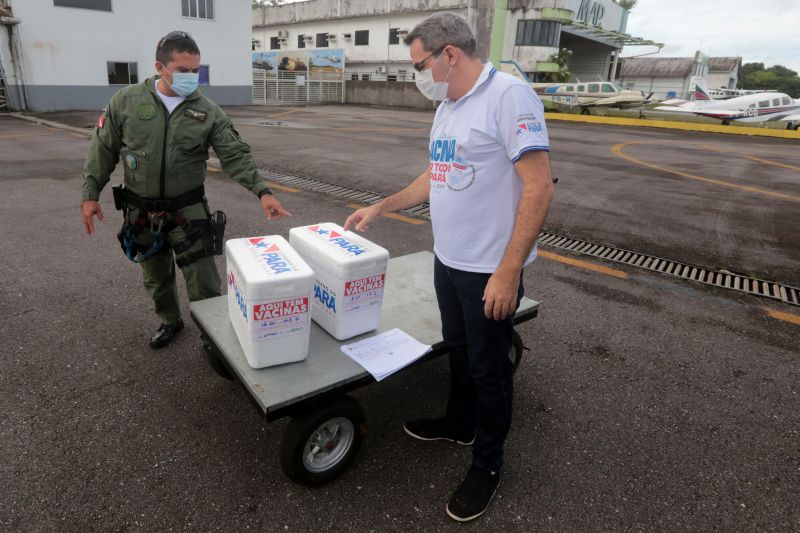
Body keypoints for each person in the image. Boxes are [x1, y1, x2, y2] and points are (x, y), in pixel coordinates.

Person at [344, 13, 554, 522]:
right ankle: (460, 422)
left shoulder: (507, 97)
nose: (419, 75)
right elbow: (434, 176)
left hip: (488, 269)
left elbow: (539, 186)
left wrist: (507, 273)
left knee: (489, 367)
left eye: (420, 64)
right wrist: (381, 206)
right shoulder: (449, 104)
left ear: (449, 55)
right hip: (449, 259)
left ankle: (488, 463)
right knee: (458, 350)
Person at [81, 31, 290, 349]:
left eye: (196, 71)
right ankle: (169, 321)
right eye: (183, 71)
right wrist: (90, 194)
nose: (191, 78)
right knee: (155, 275)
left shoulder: (206, 111)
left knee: (203, 277)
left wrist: (263, 192)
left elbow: (234, 155)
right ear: (160, 67)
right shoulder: (126, 102)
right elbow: (103, 149)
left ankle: (212, 334)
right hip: (141, 211)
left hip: (187, 209)